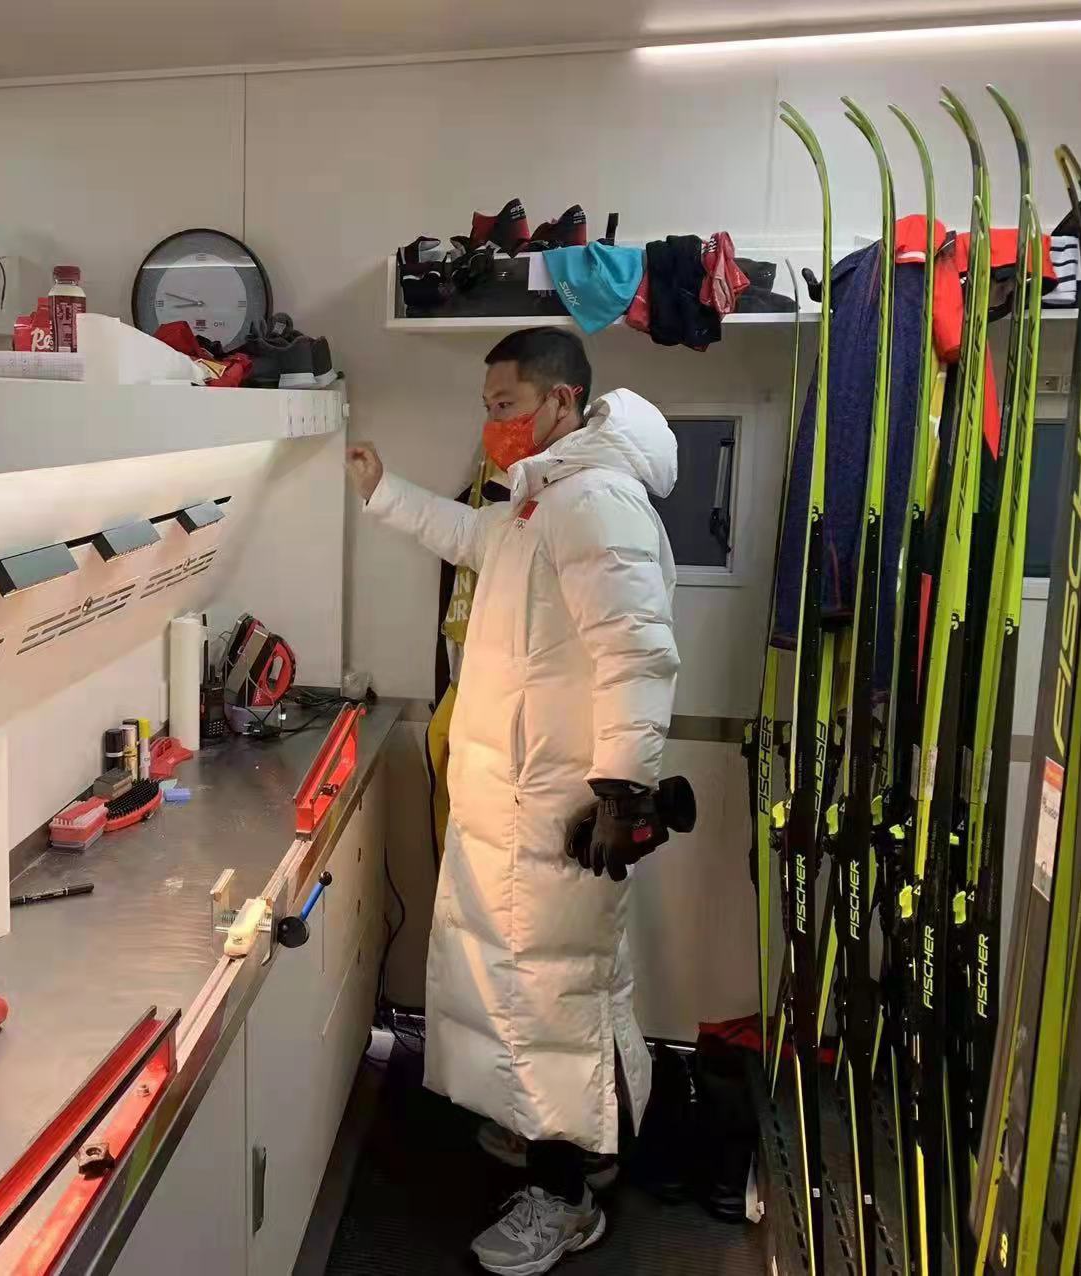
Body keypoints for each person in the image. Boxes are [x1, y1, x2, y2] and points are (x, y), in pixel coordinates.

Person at [345, 327, 679, 1274]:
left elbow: (636, 652)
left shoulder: (596, 502)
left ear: (562, 400)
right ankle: (574, 1141)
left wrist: (622, 791)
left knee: (550, 1002)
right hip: (522, 804)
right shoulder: (543, 499)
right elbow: (472, 539)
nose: (493, 424)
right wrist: (384, 493)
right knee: (543, 995)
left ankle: (565, 1199)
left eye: (506, 405)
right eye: (487, 407)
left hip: (561, 812)